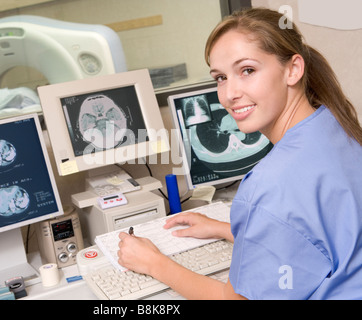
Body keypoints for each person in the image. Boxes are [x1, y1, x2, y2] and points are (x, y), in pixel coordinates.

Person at [117, 8, 362, 300]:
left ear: (293, 69)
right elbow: (317, 235)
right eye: (220, 77)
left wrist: (154, 263)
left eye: (247, 70)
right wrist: (229, 229)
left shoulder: (269, 185)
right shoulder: (337, 127)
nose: (229, 94)